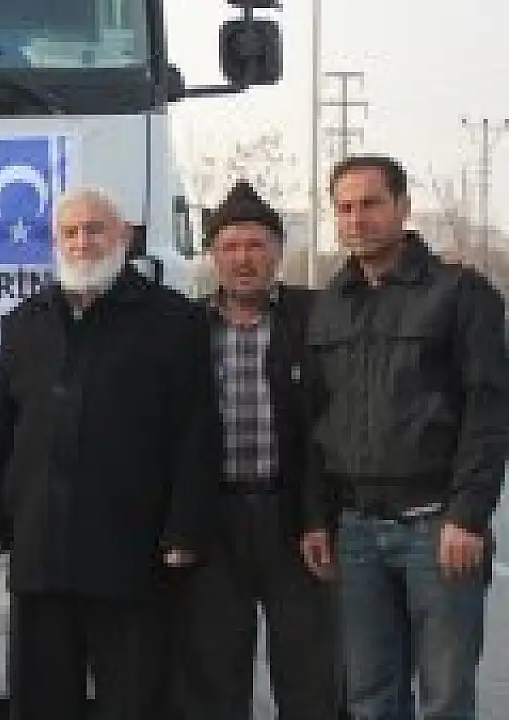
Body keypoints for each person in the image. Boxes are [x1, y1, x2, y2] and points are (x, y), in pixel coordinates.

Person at [0, 187, 221, 719]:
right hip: (42, 552)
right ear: (57, 242)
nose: (83, 242)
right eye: (71, 232)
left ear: (123, 235)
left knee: (135, 699)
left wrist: (184, 531)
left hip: (131, 552)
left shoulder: (173, 321)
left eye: (96, 229)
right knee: (42, 699)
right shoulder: (27, 322)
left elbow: (196, 433)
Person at [301, 155, 509, 720]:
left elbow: (488, 413)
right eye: (345, 207)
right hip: (356, 532)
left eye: (371, 204)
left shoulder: (462, 295)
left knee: (444, 699)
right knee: (369, 698)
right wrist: (317, 518)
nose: (357, 218)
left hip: (437, 529)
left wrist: (467, 516)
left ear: (403, 207)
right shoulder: (328, 305)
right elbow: (316, 421)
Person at [176, 180, 343, 719]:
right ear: (213, 255)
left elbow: (332, 424)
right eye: (230, 246)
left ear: (278, 250)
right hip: (214, 521)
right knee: (213, 673)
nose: (243, 259)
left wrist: (321, 516)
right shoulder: (185, 328)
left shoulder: (316, 316)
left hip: (295, 519)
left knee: (311, 672)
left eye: (255, 245)